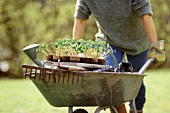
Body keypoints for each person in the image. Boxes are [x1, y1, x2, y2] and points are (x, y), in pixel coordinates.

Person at [72, 0, 165, 113]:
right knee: (108, 79)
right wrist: (74, 49)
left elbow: (146, 15)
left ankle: (136, 110)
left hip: (138, 41)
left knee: (136, 82)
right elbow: (81, 19)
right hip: (108, 40)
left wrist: (155, 46)